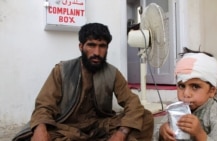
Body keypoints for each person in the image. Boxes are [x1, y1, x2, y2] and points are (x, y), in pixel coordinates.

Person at [13, 23, 154, 141]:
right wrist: (40, 129)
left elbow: (133, 103)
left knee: (145, 118)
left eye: (102, 46)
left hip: (100, 126)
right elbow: (44, 105)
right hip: (66, 127)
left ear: (107, 48)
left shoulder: (112, 73)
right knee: (31, 136)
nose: (97, 52)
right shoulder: (62, 70)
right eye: (91, 45)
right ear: (81, 46)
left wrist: (121, 133)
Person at [156, 47, 217, 141]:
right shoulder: (177, 110)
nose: (186, 94)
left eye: (195, 86)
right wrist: (162, 132)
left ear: (212, 91)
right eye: (182, 86)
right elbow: (156, 133)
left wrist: (200, 134)